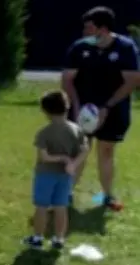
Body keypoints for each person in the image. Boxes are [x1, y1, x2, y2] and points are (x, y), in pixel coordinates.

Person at [61, 6, 140, 210]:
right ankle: (65, 194)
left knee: (106, 151)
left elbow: (132, 80)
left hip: (113, 108)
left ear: (103, 29)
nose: (84, 32)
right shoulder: (79, 48)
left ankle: (107, 196)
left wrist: (106, 107)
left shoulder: (125, 47)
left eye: (89, 28)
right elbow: (67, 79)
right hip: (82, 108)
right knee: (79, 149)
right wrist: (76, 107)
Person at [25, 91, 89, 250]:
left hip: (45, 175)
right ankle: (59, 239)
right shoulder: (76, 130)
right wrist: (72, 164)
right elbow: (84, 150)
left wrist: (62, 159)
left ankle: (37, 238)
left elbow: (44, 157)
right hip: (65, 176)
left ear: (45, 111)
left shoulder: (44, 133)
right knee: (61, 207)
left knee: (41, 207)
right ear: (67, 107)